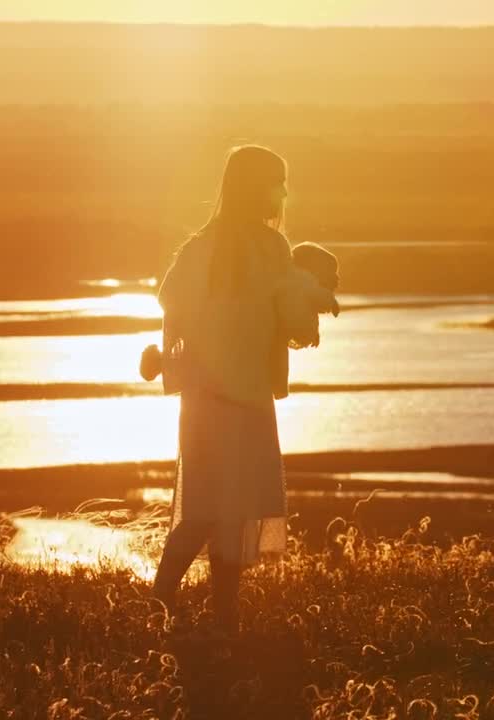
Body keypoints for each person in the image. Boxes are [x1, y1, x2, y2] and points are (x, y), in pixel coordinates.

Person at [148, 144, 326, 635]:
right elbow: (288, 315)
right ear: (256, 188)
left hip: (204, 398)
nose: (284, 193)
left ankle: (182, 605)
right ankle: (206, 612)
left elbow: (170, 300)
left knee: (208, 506)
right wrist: (307, 313)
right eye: (277, 182)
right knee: (231, 507)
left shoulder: (200, 247)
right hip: (244, 397)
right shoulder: (270, 248)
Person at [138, 241, 339, 381]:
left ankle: (161, 361)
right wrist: (328, 308)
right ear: (313, 269)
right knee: (207, 359)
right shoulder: (302, 282)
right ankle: (160, 361)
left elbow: (294, 315)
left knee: (200, 355)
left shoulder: (293, 283)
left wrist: (310, 331)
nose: (335, 279)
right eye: (331, 273)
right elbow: (299, 316)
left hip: (237, 332)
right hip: (247, 341)